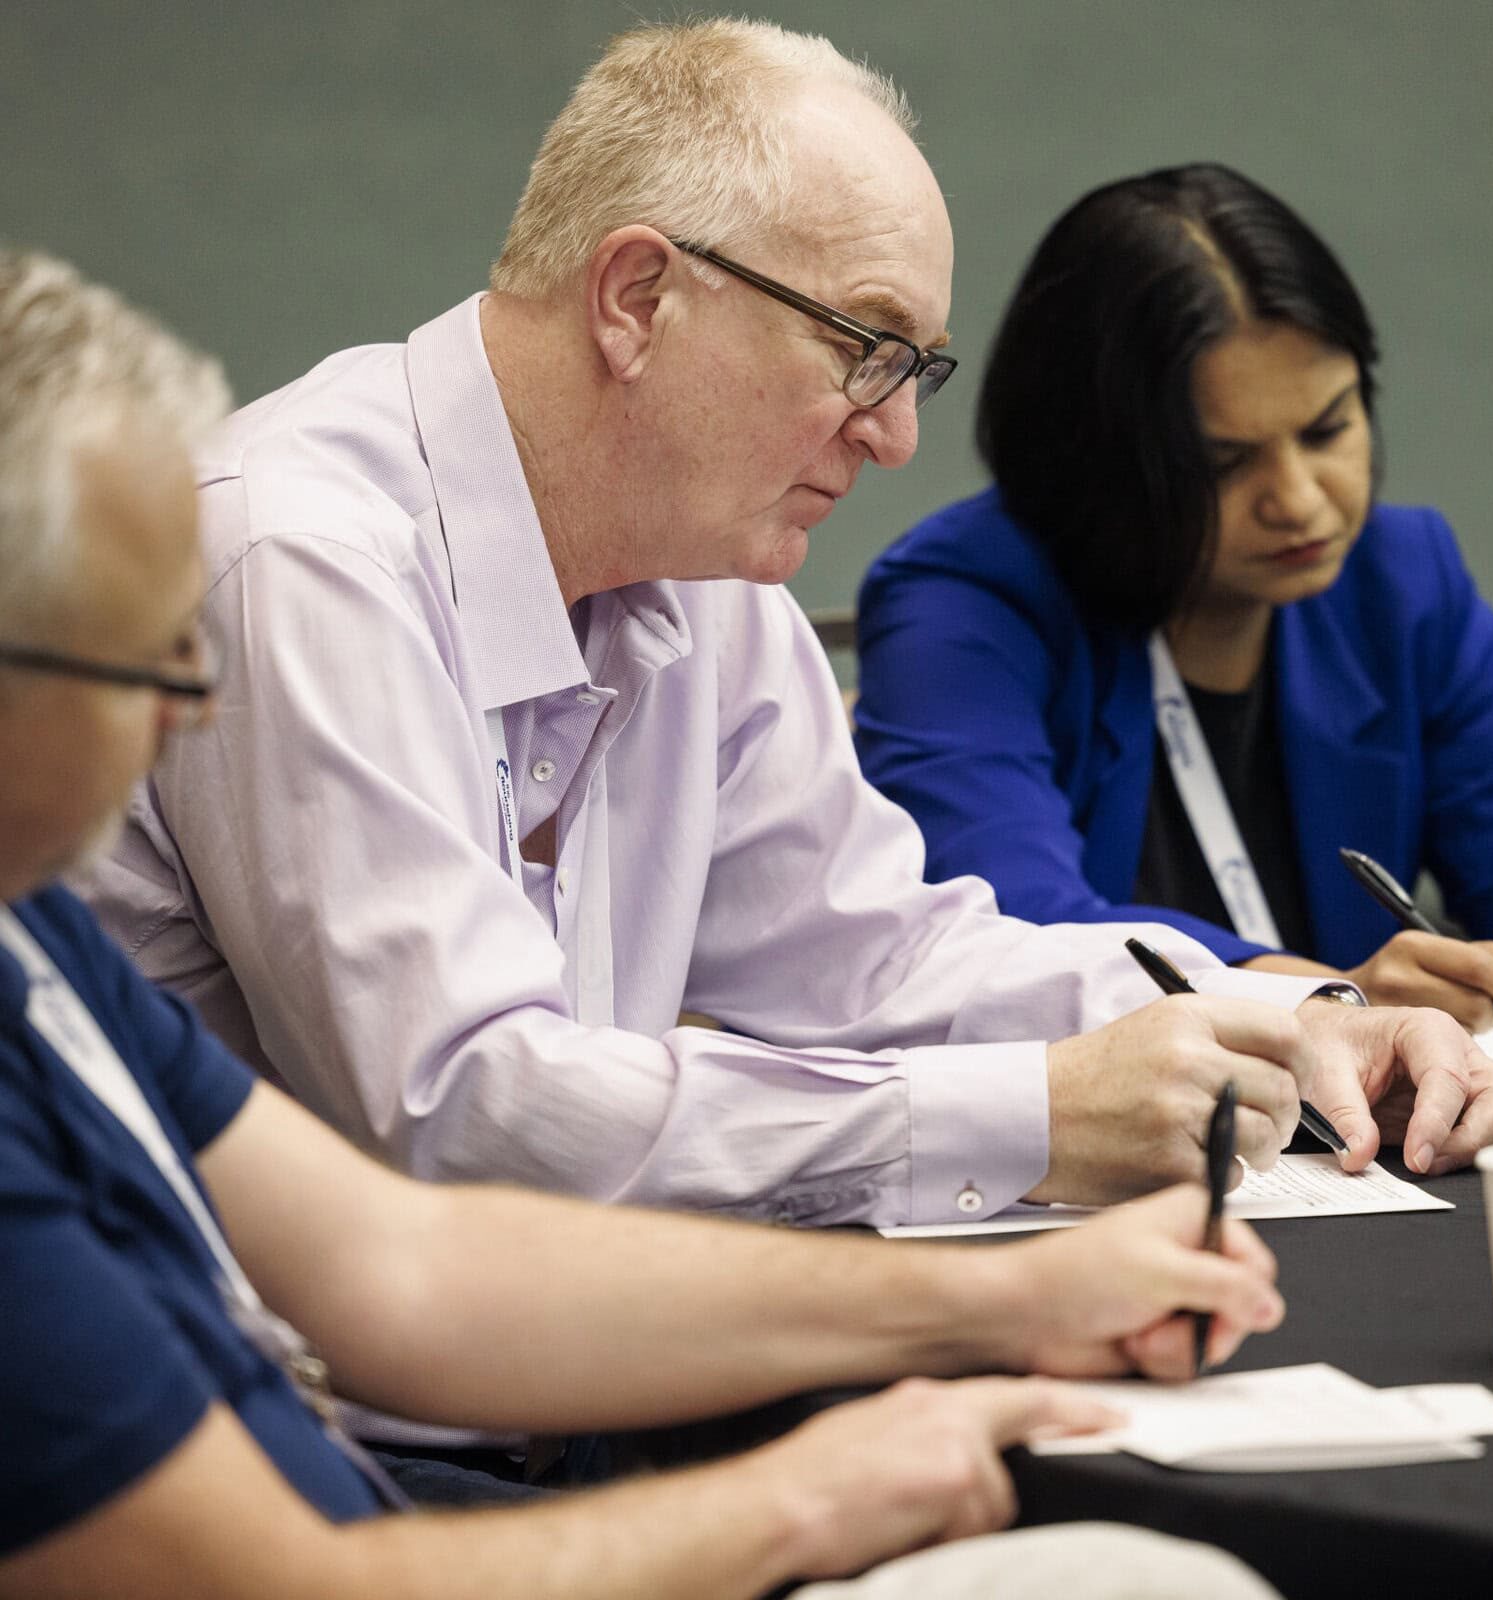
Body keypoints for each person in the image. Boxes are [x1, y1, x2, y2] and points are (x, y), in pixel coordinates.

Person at [0, 245, 1307, 1600]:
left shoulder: (38, 946)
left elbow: (408, 1266)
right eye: (142, 657)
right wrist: (812, 1497)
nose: (184, 711)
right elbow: (293, 1581)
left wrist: (1006, 1301)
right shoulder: (297, 552)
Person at [80, 26, 1493, 1235]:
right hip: (303, 1452)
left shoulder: (711, 585)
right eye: (864, 348)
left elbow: (880, 967)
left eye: (918, 368)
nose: (899, 437)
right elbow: (460, 1114)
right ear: (639, 296)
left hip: (581, 1373)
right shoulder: (303, 557)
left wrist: (1293, 1019)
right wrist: (1031, 1118)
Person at [856, 161, 1493, 1029]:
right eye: (1222, 463)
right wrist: (1327, 1000)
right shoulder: (962, 600)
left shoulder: (1400, 583)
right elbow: (1007, 929)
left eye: (1329, 428)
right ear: (1093, 459)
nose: (1302, 498)